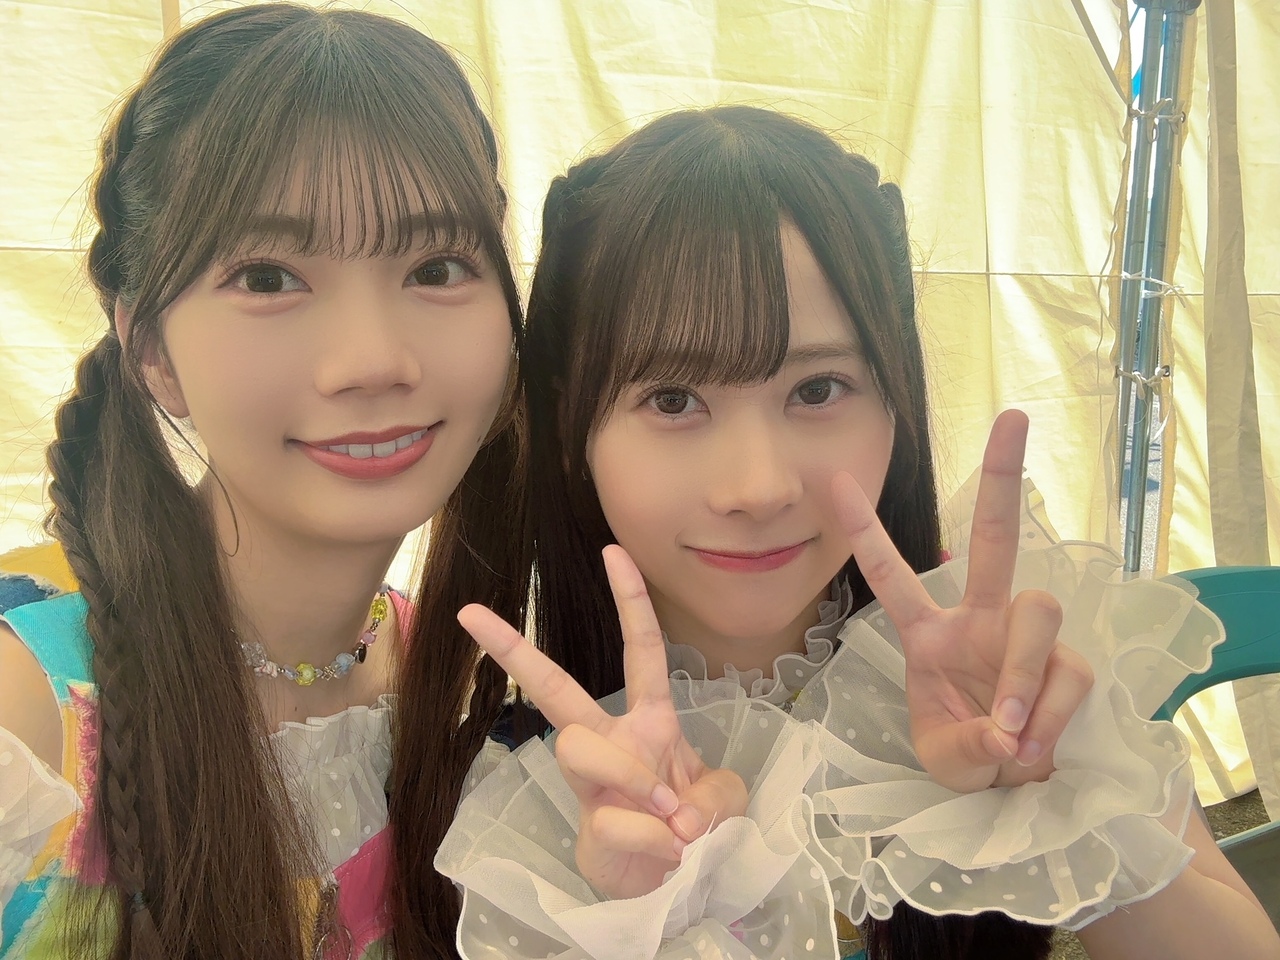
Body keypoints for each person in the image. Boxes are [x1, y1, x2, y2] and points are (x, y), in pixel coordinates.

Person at [435, 107, 1280, 960]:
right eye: (673, 400)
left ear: (896, 402)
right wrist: (639, 915)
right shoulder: (507, 778)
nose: (758, 487)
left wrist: (1053, 786)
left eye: (817, 390)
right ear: (569, 428)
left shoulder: (1010, 658)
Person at [0, 5, 527, 958]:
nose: (372, 360)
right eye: (269, 279)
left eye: (439, 265)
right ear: (150, 349)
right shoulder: (28, 711)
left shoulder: (457, 684)